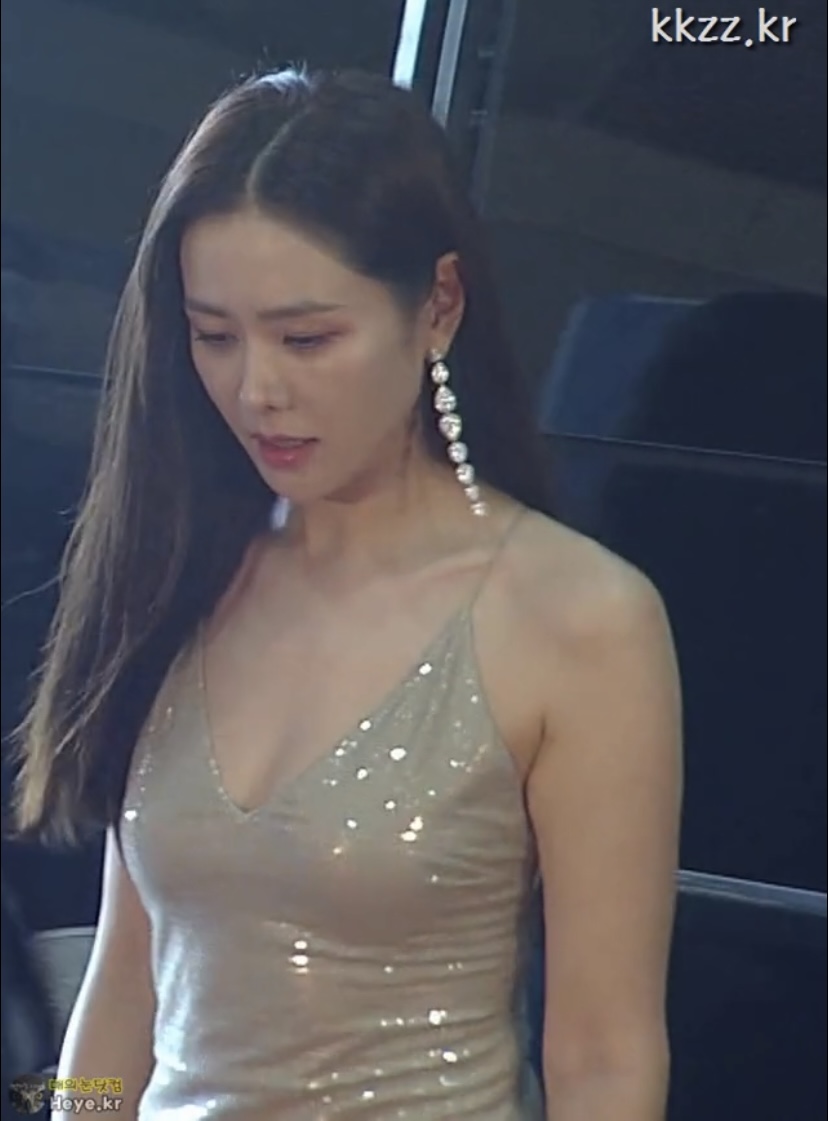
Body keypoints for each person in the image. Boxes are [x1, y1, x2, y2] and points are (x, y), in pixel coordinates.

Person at [13, 68, 682, 1121]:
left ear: (438, 307)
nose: (256, 388)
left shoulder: (579, 620)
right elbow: (124, 987)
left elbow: (604, 1057)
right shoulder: (183, 566)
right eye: (214, 335)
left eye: (307, 338)